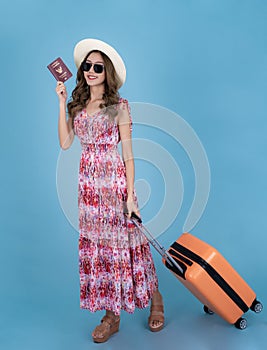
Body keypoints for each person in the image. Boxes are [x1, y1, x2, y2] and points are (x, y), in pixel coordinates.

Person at [55, 38, 164, 343]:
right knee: (100, 251)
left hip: (114, 185)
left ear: (108, 73)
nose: (90, 71)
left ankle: (155, 299)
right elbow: (65, 143)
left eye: (97, 67)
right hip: (87, 188)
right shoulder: (77, 105)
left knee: (130, 245)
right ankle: (111, 315)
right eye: (87, 66)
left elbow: (128, 155)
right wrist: (61, 102)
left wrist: (130, 197)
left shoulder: (119, 107)